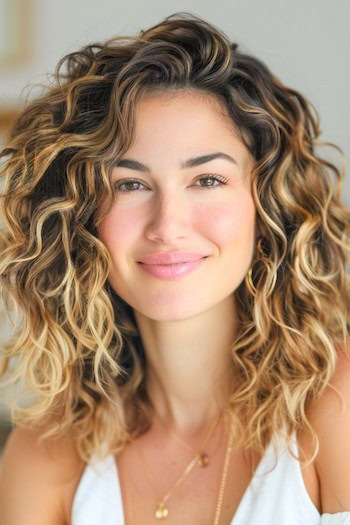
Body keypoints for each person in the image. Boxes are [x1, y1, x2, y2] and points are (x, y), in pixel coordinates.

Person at [0, 10, 349, 525]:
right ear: (80, 219)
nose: (168, 224)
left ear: (267, 205)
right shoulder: (47, 452)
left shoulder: (336, 401)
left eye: (207, 180)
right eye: (130, 184)